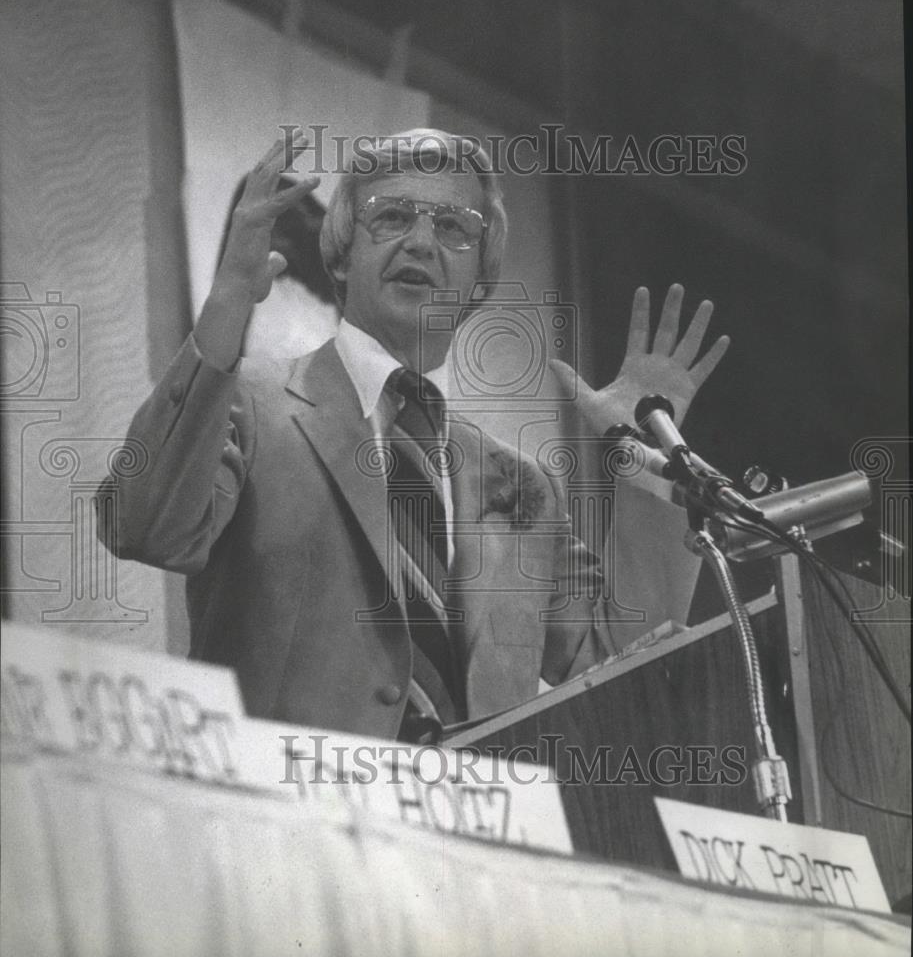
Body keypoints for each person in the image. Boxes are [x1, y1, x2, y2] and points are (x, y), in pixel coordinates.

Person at [100, 127, 729, 742]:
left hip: (477, 828)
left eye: (454, 228)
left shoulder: (521, 487)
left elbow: (621, 663)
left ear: (480, 282)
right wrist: (229, 301)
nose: (422, 242)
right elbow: (145, 527)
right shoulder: (249, 402)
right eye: (392, 216)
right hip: (286, 826)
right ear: (341, 255)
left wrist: (650, 457)